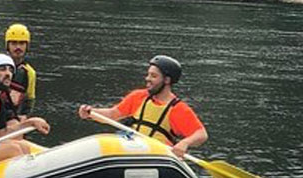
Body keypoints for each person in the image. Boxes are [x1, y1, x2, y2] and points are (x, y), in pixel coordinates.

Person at [78, 55, 207, 158]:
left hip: (159, 157)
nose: (147, 79)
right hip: (133, 151)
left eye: (154, 76)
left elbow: (201, 134)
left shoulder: (178, 109)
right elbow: (113, 114)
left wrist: (184, 143)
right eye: (148, 74)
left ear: (167, 80)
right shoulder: (138, 97)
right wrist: (91, 112)